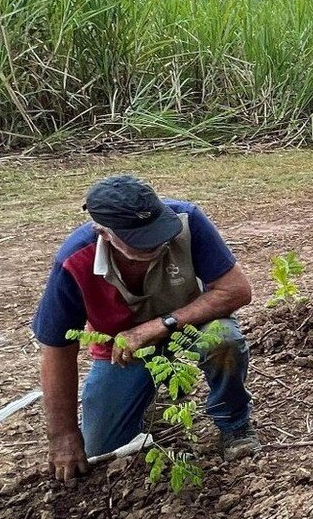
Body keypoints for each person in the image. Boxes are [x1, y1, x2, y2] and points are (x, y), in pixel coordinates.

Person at [32, 175, 259, 480]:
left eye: (157, 231)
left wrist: (160, 325)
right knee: (101, 447)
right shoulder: (74, 260)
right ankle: (145, 396)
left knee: (224, 340)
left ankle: (234, 423)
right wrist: (62, 435)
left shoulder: (187, 220)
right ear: (104, 232)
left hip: (190, 324)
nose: (154, 242)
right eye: (139, 238)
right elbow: (57, 348)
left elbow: (236, 290)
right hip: (123, 350)